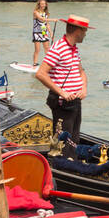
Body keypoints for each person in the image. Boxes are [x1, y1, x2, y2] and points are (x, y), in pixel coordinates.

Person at [36, 15, 90, 144]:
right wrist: (62, 92)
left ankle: (72, 161)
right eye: (84, 31)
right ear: (78, 31)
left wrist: (83, 89)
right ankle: (62, 162)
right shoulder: (58, 48)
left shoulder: (73, 48)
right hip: (63, 103)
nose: (85, 35)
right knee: (63, 142)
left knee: (74, 139)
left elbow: (81, 72)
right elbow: (41, 73)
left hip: (75, 101)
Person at [31, 0, 50, 65]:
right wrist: (53, 20)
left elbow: (47, 25)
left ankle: (48, 64)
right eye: (42, 4)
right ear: (39, 5)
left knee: (47, 49)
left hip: (44, 31)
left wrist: (51, 34)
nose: (43, 5)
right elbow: (41, 19)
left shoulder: (46, 13)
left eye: (44, 4)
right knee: (37, 49)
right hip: (37, 32)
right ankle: (35, 63)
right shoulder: (35, 12)